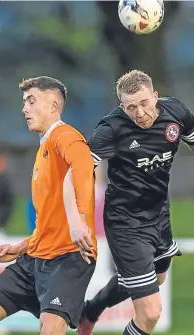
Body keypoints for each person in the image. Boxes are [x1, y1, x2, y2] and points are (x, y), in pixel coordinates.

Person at [65, 70, 194, 335]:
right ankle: (91, 313)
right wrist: (76, 219)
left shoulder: (176, 113)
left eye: (144, 103)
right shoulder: (111, 129)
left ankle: (91, 310)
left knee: (157, 277)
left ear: (155, 96)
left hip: (159, 214)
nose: (140, 112)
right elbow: (75, 175)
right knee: (150, 313)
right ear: (122, 106)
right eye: (131, 107)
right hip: (125, 223)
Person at [0, 76, 97, 335]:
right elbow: (50, 221)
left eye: (31, 101)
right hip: (35, 258)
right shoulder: (43, 150)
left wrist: (80, 220)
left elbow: (84, 165)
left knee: (51, 329)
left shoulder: (64, 136)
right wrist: (21, 247)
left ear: (53, 106)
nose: (24, 109)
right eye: (23, 102)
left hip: (69, 257)